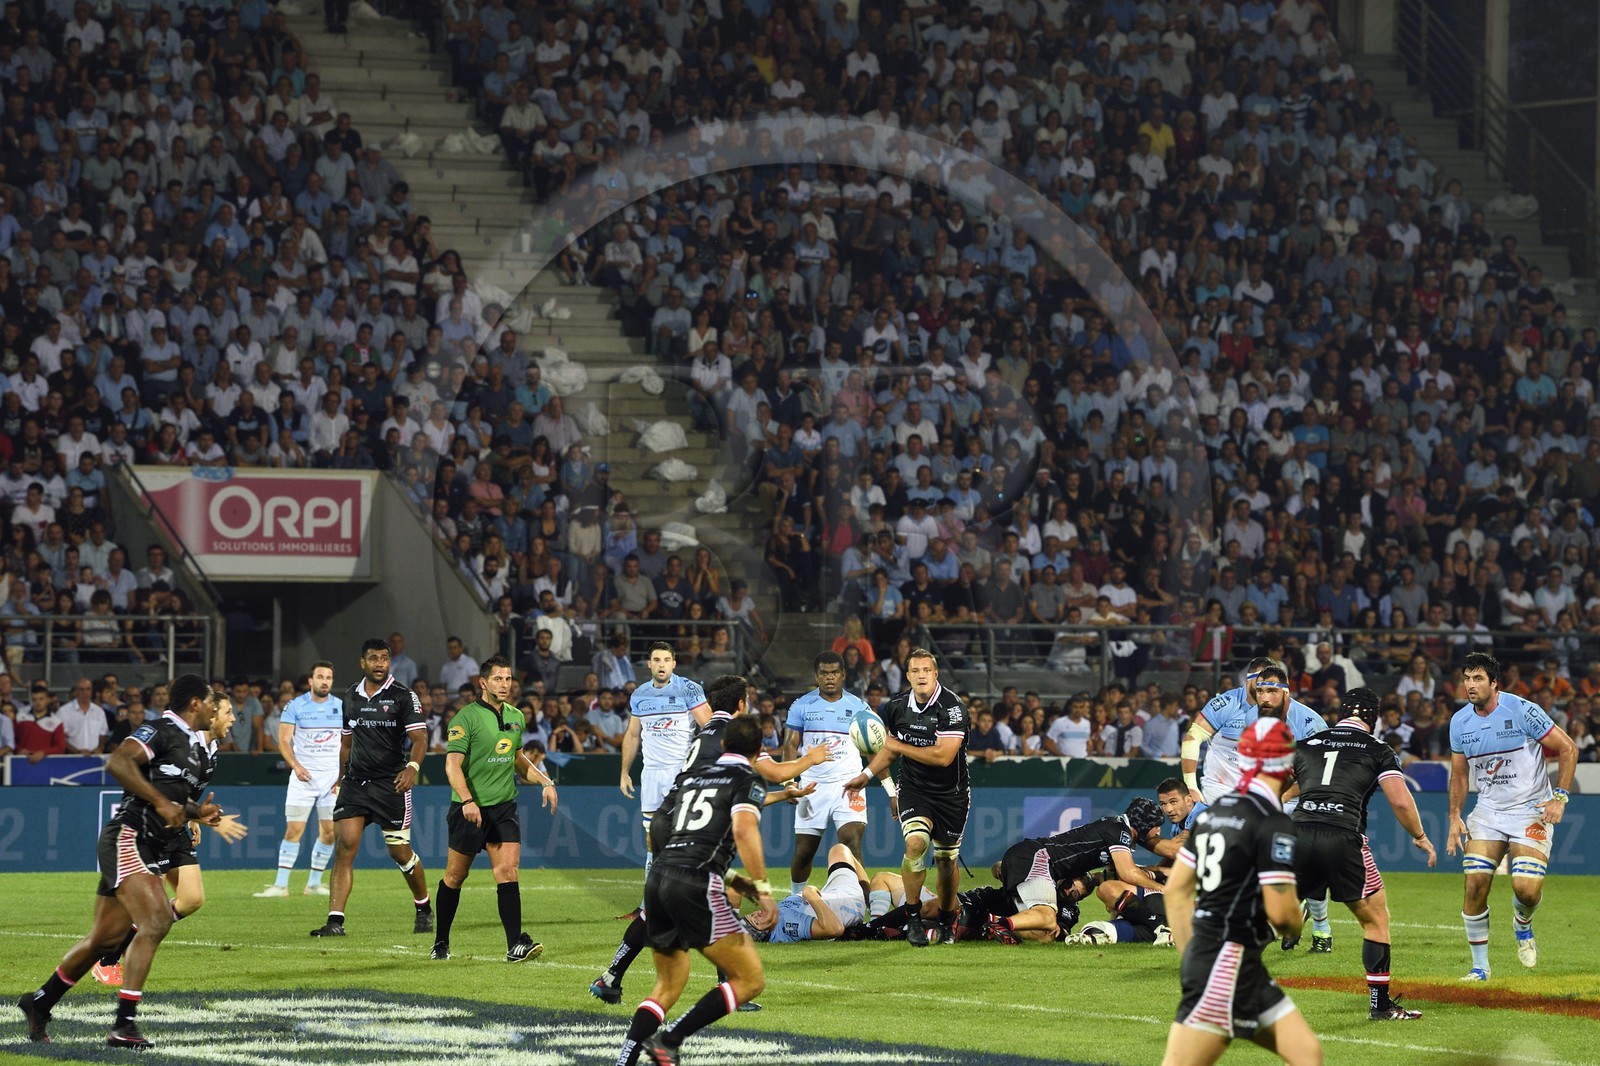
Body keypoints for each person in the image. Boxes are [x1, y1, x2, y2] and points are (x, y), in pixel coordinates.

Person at [19, 675, 231, 1049]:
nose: (217, 709)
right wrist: (164, 804)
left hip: (148, 841)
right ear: (195, 703)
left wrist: (199, 811)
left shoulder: (193, 749)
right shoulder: (161, 728)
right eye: (213, 702)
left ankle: (40, 1002)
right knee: (157, 919)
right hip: (130, 837)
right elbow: (118, 762)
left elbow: (170, 795)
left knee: (104, 939)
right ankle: (124, 1024)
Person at [592, 674, 825, 1004]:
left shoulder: (705, 733)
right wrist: (810, 760)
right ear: (742, 703)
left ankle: (612, 976)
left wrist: (780, 795)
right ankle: (729, 985)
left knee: (663, 905)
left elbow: (732, 792)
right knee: (720, 893)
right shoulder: (732, 735)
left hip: (669, 818)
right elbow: (773, 771)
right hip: (688, 826)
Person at [613, 715, 778, 1066]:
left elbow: (688, 843)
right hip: (696, 886)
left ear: (722, 745)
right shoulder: (749, 779)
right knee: (749, 980)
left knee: (667, 988)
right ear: (759, 749)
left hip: (659, 879)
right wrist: (763, 889)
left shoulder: (694, 779)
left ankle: (624, 1061)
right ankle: (669, 1041)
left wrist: (736, 882)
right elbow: (745, 831)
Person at [1161, 718, 1323, 1066]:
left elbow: (1175, 891)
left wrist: (1193, 953)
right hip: (1228, 964)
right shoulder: (1272, 821)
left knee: (1307, 1053)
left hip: (1222, 960)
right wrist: (1298, 917)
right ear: (1288, 765)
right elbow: (1282, 916)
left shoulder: (1211, 814)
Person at [1289, 687, 1433, 1019]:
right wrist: (1419, 836)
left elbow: (1278, 789)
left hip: (1298, 833)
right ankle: (1380, 1007)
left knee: (1271, 915)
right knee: (1376, 919)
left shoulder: (1306, 744)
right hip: (1343, 836)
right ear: (1374, 717)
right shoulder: (1378, 749)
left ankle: (1222, 990)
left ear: (1342, 713)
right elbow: (1399, 799)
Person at [93, 688, 250, 986]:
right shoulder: (182, 740)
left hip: (179, 825)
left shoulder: (211, 751)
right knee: (140, 909)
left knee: (191, 899)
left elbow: (187, 791)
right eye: (228, 712)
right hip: (156, 827)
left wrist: (196, 817)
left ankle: (122, 947)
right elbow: (156, 779)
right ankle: (109, 960)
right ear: (211, 712)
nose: (233, 718)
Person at [1447, 651, 1578, 981]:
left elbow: (1568, 749)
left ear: (1494, 683)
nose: (1470, 685)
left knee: (1526, 890)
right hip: (1489, 812)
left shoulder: (1521, 710)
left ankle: (1523, 925)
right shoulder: (1460, 722)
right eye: (1466, 678)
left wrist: (1559, 798)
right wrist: (1454, 817)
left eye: (1478, 678)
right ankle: (1480, 968)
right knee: (1475, 883)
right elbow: (1460, 774)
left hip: (1531, 810)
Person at [430, 655, 558, 961]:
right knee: (455, 876)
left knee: (508, 871)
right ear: (483, 683)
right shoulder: (465, 718)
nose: (505, 684)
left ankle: (515, 944)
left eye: (509, 679)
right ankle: (441, 942)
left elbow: (517, 758)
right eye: (498, 679)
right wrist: (467, 800)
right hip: (470, 810)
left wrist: (544, 780)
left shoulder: (516, 716)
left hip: (503, 807)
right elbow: (452, 765)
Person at [845, 647, 970, 946]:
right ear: (908, 675)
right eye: (915, 671)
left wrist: (899, 747)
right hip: (915, 789)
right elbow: (885, 747)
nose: (921, 675)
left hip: (951, 794)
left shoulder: (953, 708)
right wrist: (865, 776)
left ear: (936, 674)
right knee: (915, 844)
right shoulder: (897, 706)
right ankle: (912, 918)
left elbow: (942, 756)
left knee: (945, 861)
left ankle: (945, 920)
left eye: (927, 670)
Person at [311, 637, 433, 937]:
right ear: (362, 662)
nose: (379, 663)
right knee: (345, 846)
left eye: (384, 658)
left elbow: (420, 739)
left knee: (399, 853)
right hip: (356, 784)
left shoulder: (404, 696)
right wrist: (340, 776)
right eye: (373, 658)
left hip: (390, 784)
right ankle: (335, 921)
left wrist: (412, 767)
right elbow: (346, 741)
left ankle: (424, 906)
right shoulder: (351, 695)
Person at [781, 651, 893, 895]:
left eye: (834, 673)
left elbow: (874, 751)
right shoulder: (801, 705)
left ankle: (862, 907)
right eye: (824, 673)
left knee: (852, 844)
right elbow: (790, 744)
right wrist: (789, 781)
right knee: (804, 852)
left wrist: (891, 790)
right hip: (812, 785)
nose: (829, 678)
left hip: (849, 784)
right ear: (816, 676)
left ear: (843, 675)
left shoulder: (859, 707)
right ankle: (795, 899)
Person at [982, 798, 1167, 945]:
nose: (1158, 832)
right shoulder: (1119, 830)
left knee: (1044, 935)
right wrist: (1163, 889)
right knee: (1047, 919)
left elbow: (1118, 878)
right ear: (1144, 824)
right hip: (1037, 858)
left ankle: (986, 926)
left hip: (1030, 858)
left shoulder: (1115, 829)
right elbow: (1129, 873)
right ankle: (997, 922)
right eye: (1156, 825)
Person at [619, 642, 710, 905]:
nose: (661, 665)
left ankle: (693, 898)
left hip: (682, 773)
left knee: (686, 836)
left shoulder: (688, 689)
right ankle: (649, 905)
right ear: (649, 664)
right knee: (651, 838)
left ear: (674, 663)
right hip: (651, 775)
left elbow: (710, 727)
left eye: (666, 660)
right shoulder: (640, 694)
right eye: (656, 660)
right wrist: (624, 771)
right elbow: (633, 734)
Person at [1183, 658, 1325, 807]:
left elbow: (1322, 771)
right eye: (1261, 689)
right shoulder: (1244, 710)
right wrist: (1191, 785)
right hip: (1230, 790)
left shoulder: (1310, 722)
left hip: (1297, 797)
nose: (1265, 697)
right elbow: (1192, 737)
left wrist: (1284, 795)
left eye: (1271, 690)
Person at [254, 661, 342, 897]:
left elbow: (348, 744)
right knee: (294, 829)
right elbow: (284, 740)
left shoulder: (341, 707)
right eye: (320, 676)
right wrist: (296, 766)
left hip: (331, 780)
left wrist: (342, 776)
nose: (325, 681)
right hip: (303, 779)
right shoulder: (295, 706)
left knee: (330, 831)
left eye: (329, 677)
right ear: (310, 681)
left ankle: (313, 884)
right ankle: (281, 885)